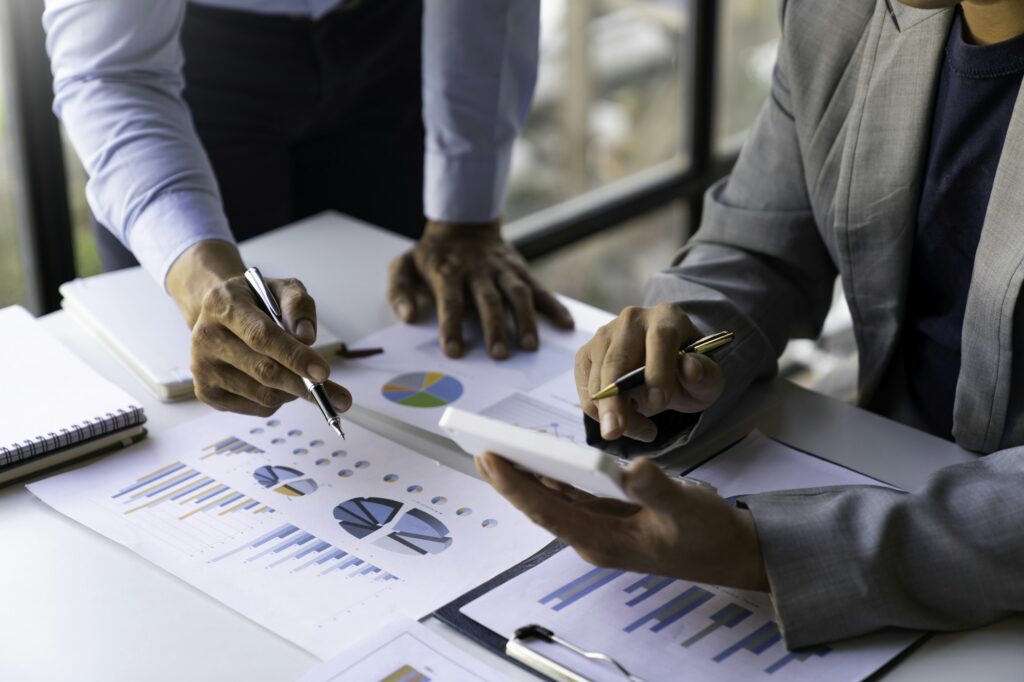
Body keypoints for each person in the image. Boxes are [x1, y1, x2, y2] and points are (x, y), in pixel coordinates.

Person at [478, 0, 1024, 649]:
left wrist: (766, 550)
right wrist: (675, 348)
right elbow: (759, 245)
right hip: (876, 468)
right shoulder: (841, 17)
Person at [44, 0, 573, 417]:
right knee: (210, 382)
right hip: (186, 59)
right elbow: (108, 73)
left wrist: (467, 217)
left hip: (396, 41)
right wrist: (201, 278)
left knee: (391, 338)